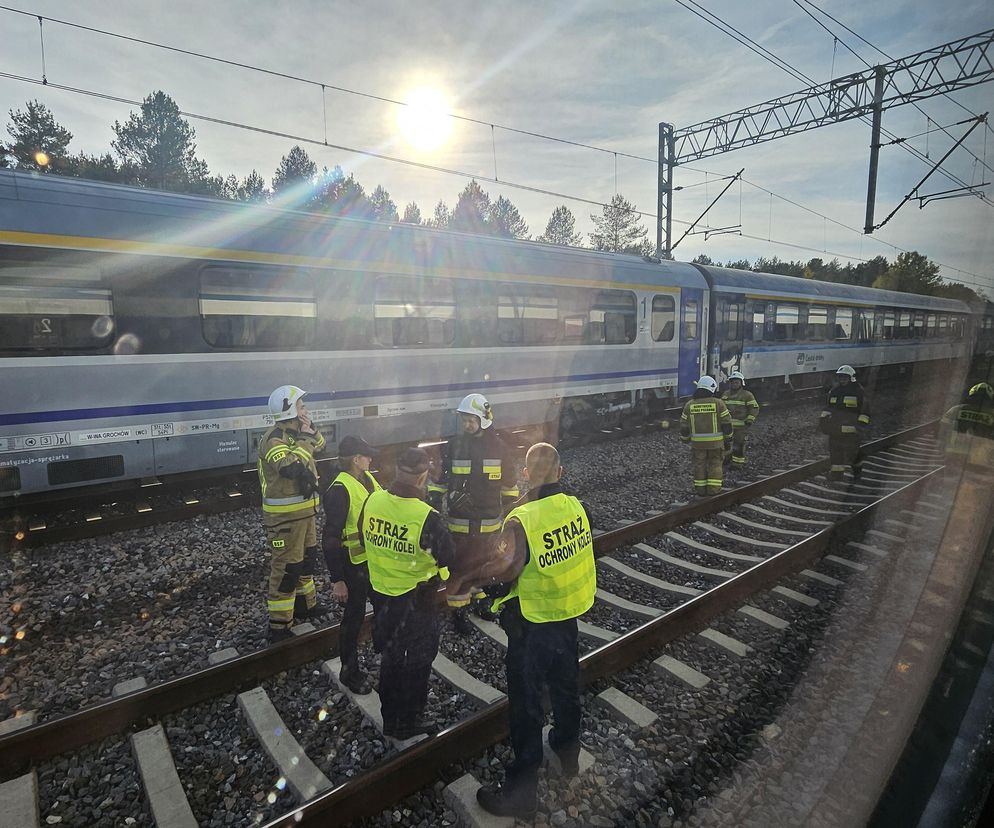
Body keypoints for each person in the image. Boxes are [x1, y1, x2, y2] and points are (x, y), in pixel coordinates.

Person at [457, 442, 596, 819]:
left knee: (527, 706)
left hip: (531, 625)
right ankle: (568, 755)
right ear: (560, 474)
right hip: (566, 617)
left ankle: (520, 793)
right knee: (567, 689)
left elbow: (504, 571)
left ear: (524, 475)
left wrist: (476, 584)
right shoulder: (575, 507)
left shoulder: (522, 519)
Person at [360, 447, 456, 740]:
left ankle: (391, 718)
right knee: (418, 659)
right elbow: (448, 556)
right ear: (422, 477)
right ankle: (411, 718)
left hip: (381, 596)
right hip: (416, 601)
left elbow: (364, 539)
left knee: (391, 657)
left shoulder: (373, 500)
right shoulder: (426, 516)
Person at [427, 393, 519, 635]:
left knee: (486, 568)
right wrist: (436, 503)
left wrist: (511, 517)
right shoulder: (454, 446)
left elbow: (510, 485)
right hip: (460, 523)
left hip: (489, 523)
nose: (467, 425)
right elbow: (440, 480)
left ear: (484, 419)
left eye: (471, 420)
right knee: (459, 568)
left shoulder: (500, 448)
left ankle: (481, 604)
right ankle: (458, 613)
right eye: (464, 420)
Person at [258, 385, 328, 643]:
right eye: (301, 406)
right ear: (289, 410)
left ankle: (305, 606)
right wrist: (305, 440)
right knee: (287, 568)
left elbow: (320, 444)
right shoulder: (273, 438)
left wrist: (311, 430)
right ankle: (279, 625)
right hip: (284, 519)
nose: (305, 410)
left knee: (306, 561)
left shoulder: (298, 432)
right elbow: (290, 467)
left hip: (304, 514)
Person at [321, 435, 381, 694]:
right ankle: (349, 671)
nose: (371, 458)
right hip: (353, 564)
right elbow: (330, 537)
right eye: (367, 455)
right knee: (354, 618)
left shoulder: (367, 479)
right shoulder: (339, 489)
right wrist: (338, 579)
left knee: (383, 606)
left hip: (373, 562)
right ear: (356, 460)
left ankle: (382, 652)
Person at [680, 376, 733, 496]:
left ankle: (700, 490)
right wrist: (728, 438)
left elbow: (684, 426)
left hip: (697, 444)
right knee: (715, 465)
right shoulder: (719, 403)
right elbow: (726, 423)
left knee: (699, 465)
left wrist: (685, 439)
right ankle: (713, 490)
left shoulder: (689, 405)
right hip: (716, 444)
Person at [819, 365, 870, 482]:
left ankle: (857, 473)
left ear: (851, 378)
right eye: (840, 377)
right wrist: (823, 421)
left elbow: (865, 411)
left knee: (853, 454)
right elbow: (828, 408)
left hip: (851, 431)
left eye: (844, 377)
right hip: (836, 430)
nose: (842, 379)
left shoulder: (858, 391)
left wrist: (860, 426)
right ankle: (837, 475)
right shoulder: (834, 391)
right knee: (835, 453)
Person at [938, 382, 994, 470]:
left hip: (954, 453)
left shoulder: (956, 410)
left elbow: (942, 429)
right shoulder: (991, 414)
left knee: (949, 479)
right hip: (980, 458)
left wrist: (942, 446)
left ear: (971, 395)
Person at [720, 371, 760, 468]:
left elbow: (754, 408)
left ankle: (737, 463)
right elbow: (720, 408)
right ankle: (726, 460)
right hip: (727, 426)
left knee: (739, 444)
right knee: (726, 444)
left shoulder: (747, 395)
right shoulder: (725, 394)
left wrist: (750, 419)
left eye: (737, 382)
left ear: (741, 383)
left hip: (741, 426)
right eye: (733, 382)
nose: (734, 384)